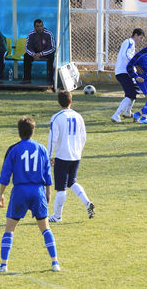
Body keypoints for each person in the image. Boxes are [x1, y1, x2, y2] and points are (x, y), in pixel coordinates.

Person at [0, 116, 60, 272]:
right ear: (33, 131)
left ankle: (4, 265)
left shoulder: (14, 149)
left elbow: (6, 173)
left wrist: (1, 194)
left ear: (19, 132)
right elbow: (47, 172)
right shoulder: (42, 148)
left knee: (10, 228)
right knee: (45, 228)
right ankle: (55, 263)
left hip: (20, 191)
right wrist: (48, 191)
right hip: (38, 191)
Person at [47, 91, 95, 222]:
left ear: (58, 102)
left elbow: (53, 138)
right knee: (72, 182)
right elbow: (83, 136)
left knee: (61, 187)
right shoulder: (78, 116)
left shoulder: (57, 117)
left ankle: (57, 216)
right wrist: (78, 150)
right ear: (71, 102)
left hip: (62, 156)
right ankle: (87, 203)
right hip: (75, 155)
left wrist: (48, 156)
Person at [111, 28, 145, 123]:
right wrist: (136, 64)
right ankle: (116, 115)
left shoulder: (130, 43)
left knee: (135, 91)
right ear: (135, 35)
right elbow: (126, 55)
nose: (141, 40)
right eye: (141, 38)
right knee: (130, 94)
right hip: (123, 72)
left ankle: (127, 112)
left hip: (127, 73)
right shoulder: (130, 41)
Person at [21, 19, 56, 84]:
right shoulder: (31, 34)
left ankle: (51, 79)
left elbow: (51, 47)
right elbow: (28, 47)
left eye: (41, 26)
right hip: (35, 53)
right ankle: (27, 79)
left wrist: (41, 54)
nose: (40, 28)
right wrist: (33, 54)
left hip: (46, 52)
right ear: (34, 27)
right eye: (38, 26)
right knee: (26, 56)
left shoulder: (49, 34)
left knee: (52, 56)